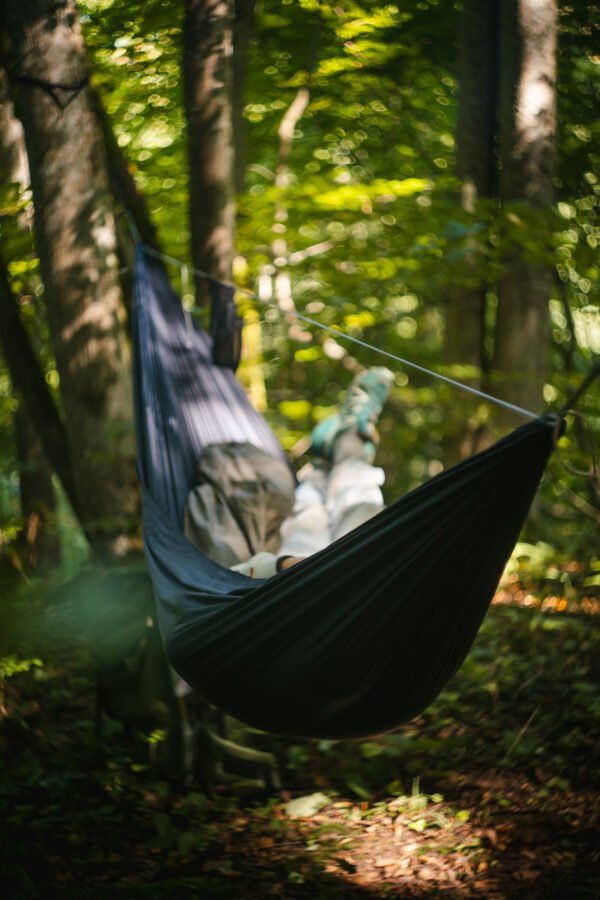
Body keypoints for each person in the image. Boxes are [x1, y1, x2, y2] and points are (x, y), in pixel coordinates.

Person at [184, 367, 394, 577]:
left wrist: (282, 566)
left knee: (313, 514)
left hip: (294, 581)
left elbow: (225, 584)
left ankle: (329, 460)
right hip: (346, 581)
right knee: (360, 511)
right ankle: (345, 443)